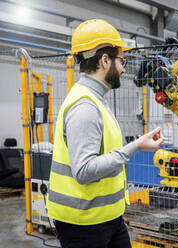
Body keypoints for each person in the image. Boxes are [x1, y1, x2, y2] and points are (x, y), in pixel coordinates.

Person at [46, 19, 164, 248]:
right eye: (122, 60)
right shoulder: (85, 107)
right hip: (83, 223)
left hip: (107, 217)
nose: (123, 68)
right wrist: (135, 146)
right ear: (105, 60)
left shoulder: (96, 100)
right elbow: (84, 171)